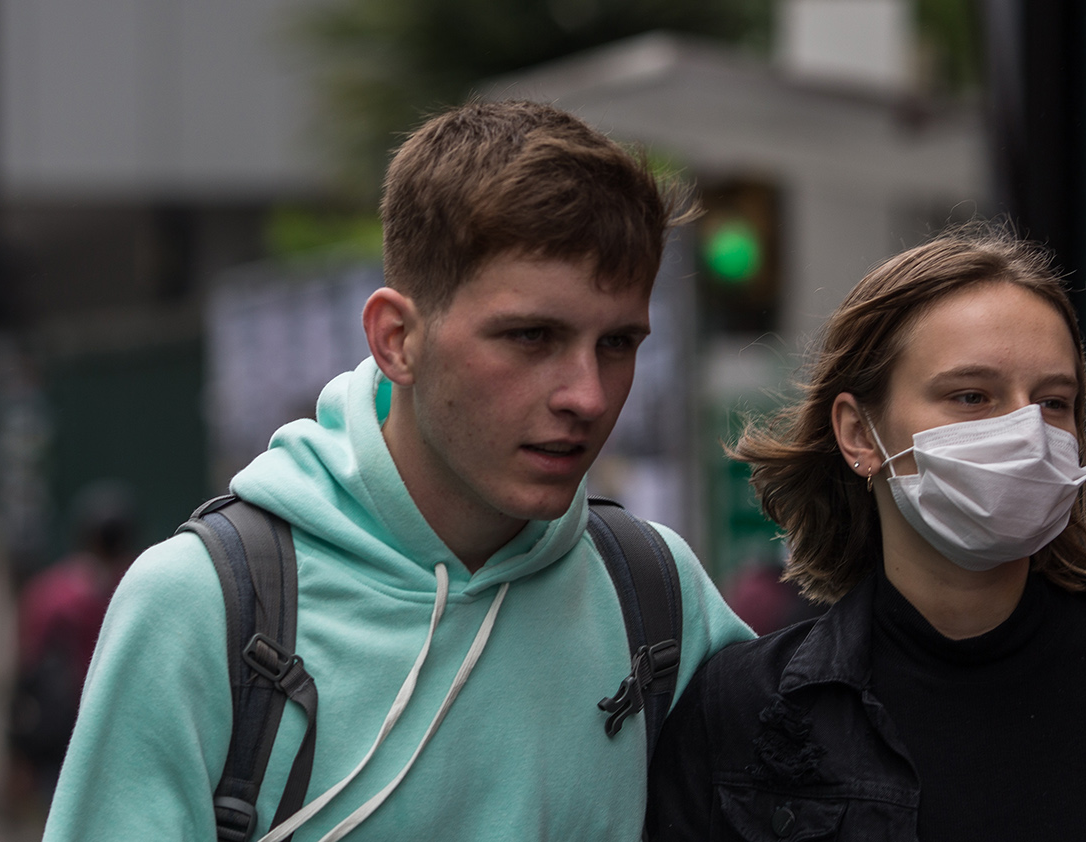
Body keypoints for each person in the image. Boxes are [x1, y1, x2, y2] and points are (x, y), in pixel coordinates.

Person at [43, 99, 753, 841]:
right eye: (531, 336)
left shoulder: (658, 595)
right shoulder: (202, 606)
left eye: (618, 343)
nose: (588, 393)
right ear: (396, 339)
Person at [646, 225, 1086, 842]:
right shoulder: (747, 712)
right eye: (971, 396)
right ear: (857, 434)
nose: (1025, 433)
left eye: (1053, 402)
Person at [10, 480, 137, 797]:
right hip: (124, 729)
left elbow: (28, 667)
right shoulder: (140, 585)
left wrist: (17, 751)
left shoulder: (51, 592)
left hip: (64, 734)